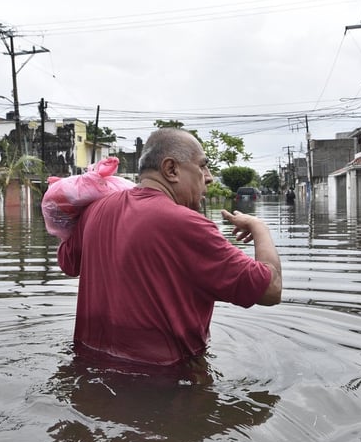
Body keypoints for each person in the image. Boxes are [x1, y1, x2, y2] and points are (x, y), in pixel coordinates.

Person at [57, 128, 282, 366]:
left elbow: (67, 263)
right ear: (171, 169)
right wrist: (260, 229)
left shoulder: (95, 210)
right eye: (202, 166)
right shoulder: (188, 224)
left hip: (90, 374)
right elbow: (271, 290)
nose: (209, 177)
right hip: (164, 385)